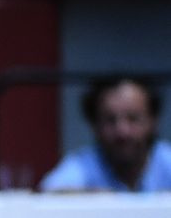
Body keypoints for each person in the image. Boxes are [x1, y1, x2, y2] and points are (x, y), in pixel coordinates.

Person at [40, 76, 171, 193]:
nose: (122, 132)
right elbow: (48, 192)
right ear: (94, 124)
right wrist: (92, 198)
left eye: (133, 118)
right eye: (110, 120)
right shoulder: (83, 165)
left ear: (154, 121)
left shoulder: (166, 159)